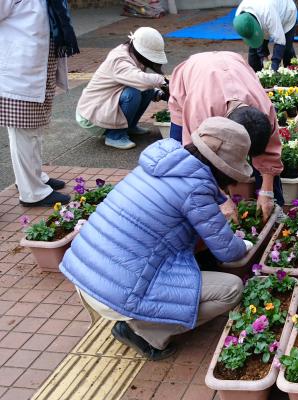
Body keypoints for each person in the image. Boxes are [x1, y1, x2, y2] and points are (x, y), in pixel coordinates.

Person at [60, 117, 256, 360]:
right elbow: (229, 252)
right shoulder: (195, 190)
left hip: (84, 272)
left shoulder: (165, 162)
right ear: (223, 166)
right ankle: (144, 332)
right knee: (231, 290)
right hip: (114, 291)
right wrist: (245, 243)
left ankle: (141, 319)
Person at [168, 51, 284, 216]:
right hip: (192, 75)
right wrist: (221, 198)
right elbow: (196, 160)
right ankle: (189, 211)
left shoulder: (263, 109)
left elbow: (270, 151)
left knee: (269, 180)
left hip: (233, 63)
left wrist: (267, 192)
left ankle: (274, 208)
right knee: (180, 158)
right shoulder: (201, 114)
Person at [1, 0, 79, 207]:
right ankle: (32, 192)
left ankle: (32, 179)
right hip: (18, 71)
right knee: (24, 132)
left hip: (37, 68)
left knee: (33, 129)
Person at [76, 27, 169, 150]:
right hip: (91, 117)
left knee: (147, 89)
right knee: (133, 92)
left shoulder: (130, 53)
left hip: (105, 105)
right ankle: (115, 136)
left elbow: (143, 82)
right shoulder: (119, 60)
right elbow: (140, 79)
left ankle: (129, 127)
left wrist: (161, 94)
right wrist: (163, 83)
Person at [234, 0, 298, 73]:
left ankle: (293, 73)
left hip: (286, 12)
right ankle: (255, 76)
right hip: (265, 14)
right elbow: (256, 41)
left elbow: (280, 41)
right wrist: (264, 58)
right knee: (254, 50)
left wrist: (274, 66)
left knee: (286, 49)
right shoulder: (240, 16)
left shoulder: (268, 13)